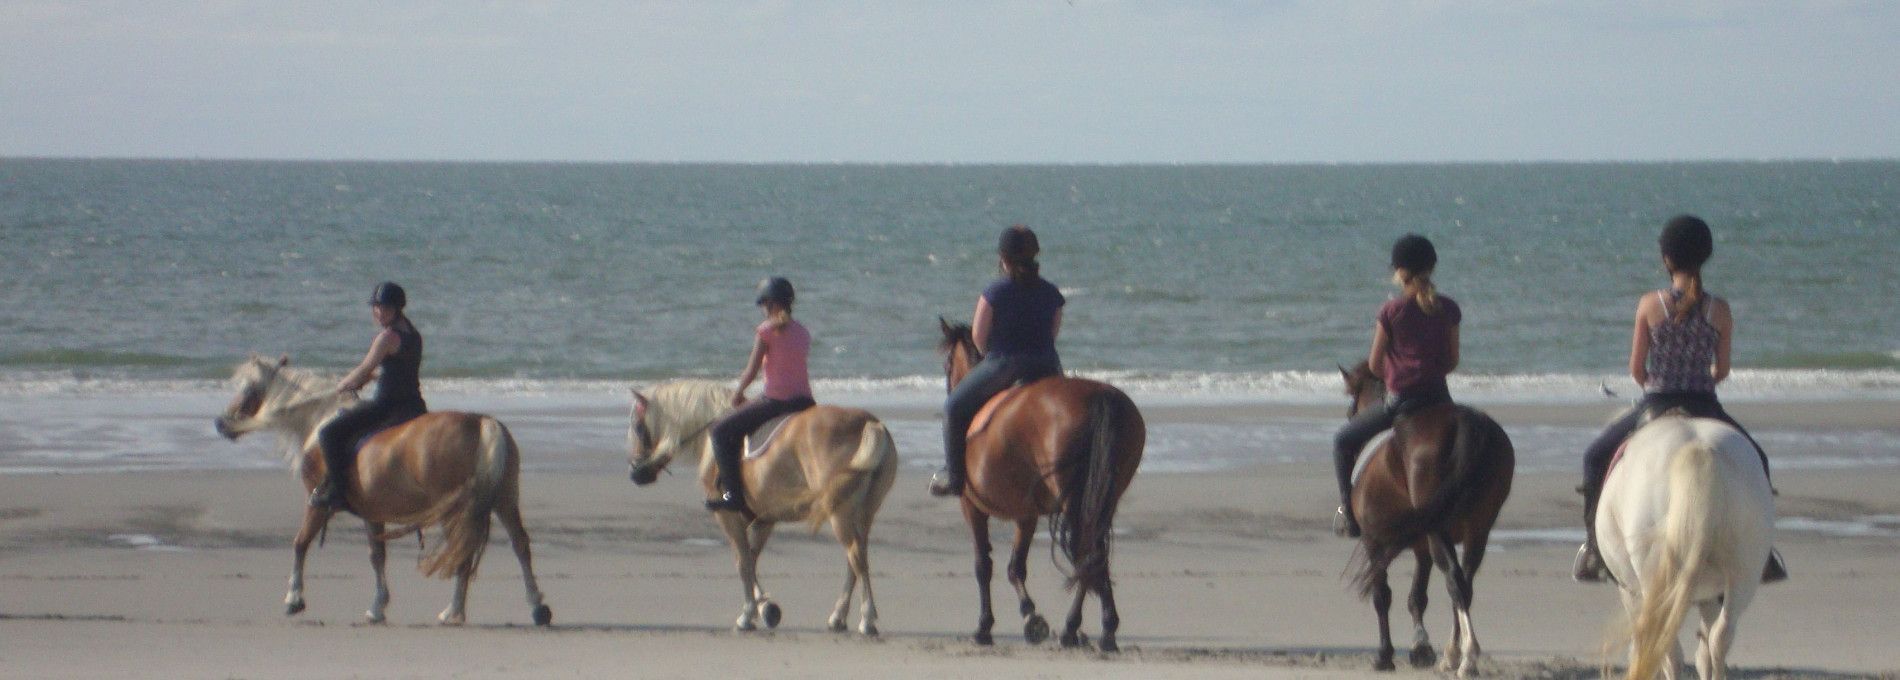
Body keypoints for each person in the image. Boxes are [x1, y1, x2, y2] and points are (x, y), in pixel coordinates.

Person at [1573, 215, 1786, 583]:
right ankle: (1763, 554)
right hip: (1706, 405)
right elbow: (1722, 370)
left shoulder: (1649, 305)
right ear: (1706, 257)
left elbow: (1637, 369)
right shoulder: (1719, 309)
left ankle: (1594, 549)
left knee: (1594, 459)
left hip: (1656, 405)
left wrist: (1654, 379)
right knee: (1759, 462)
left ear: (1666, 259)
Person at [1332, 234, 1461, 538]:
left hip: (1402, 402)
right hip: (1441, 399)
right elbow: (1452, 361)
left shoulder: (1391, 312)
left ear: (1400, 272)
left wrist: (1399, 374)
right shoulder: (1449, 308)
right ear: (1431, 268)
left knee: (1342, 442)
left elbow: (1375, 366)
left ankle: (1349, 514)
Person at [930, 225, 1065, 497]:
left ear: (1003, 258)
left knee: (953, 408)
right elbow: (1053, 333)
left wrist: (992, 356)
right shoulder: (1052, 293)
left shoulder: (994, 291)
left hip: (1005, 363)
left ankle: (955, 479)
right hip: (1048, 365)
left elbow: (979, 338)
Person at [310, 282, 428, 510]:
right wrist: (369, 378)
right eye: (375, 307)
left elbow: (364, 368)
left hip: (385, 407)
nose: (378, 312)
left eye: (383, 308)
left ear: (396, 309)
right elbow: (398, 370)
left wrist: (343, 384)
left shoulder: (386, 338)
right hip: (414, 405)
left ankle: (337, 492)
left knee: (328, 433)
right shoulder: (414, 335)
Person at [704, 277, 815, 514]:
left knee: (720, 432)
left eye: (764, 305)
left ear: (771, 304)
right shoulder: (803, 332)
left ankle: (731, 494)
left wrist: (738, 393)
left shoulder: (766, 331)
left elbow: (752, 369)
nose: (763, 310)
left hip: (778, 403)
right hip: (805, 401)